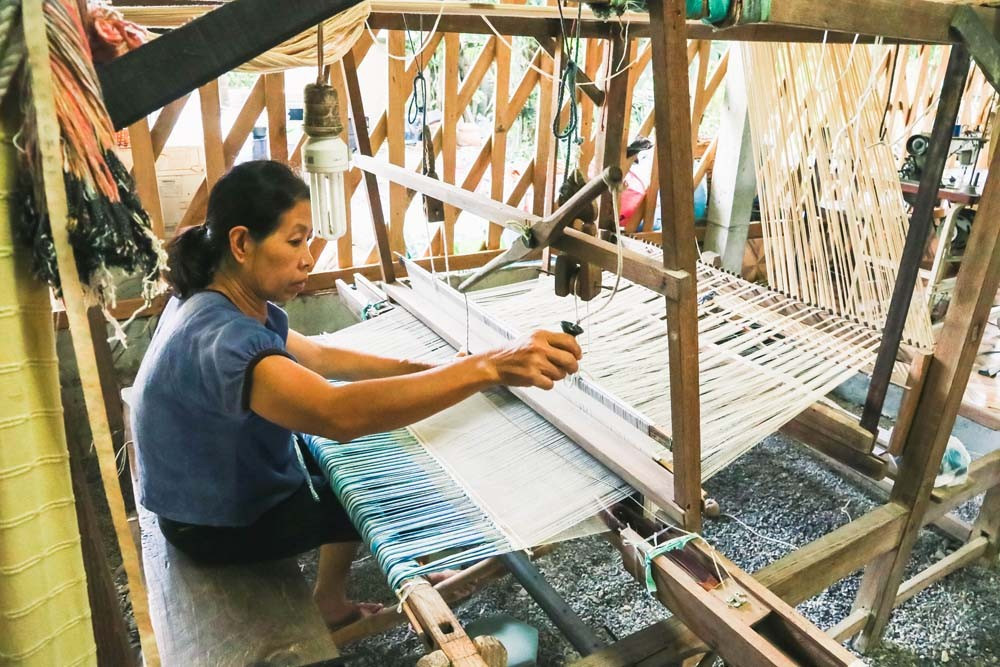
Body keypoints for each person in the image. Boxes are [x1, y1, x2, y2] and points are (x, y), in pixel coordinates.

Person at [130, 160, 581, 628]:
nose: (308, 258)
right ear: (242, 243)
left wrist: (433, 368)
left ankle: (333, 595)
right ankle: (399, 570)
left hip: (195, 499)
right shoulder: (227, 341)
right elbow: (337, 415)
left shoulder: (213, 299)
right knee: (373, 487)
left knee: (353, 468)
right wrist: (485, 368)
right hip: (212, 526)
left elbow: (321, 358)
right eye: (294, 241)